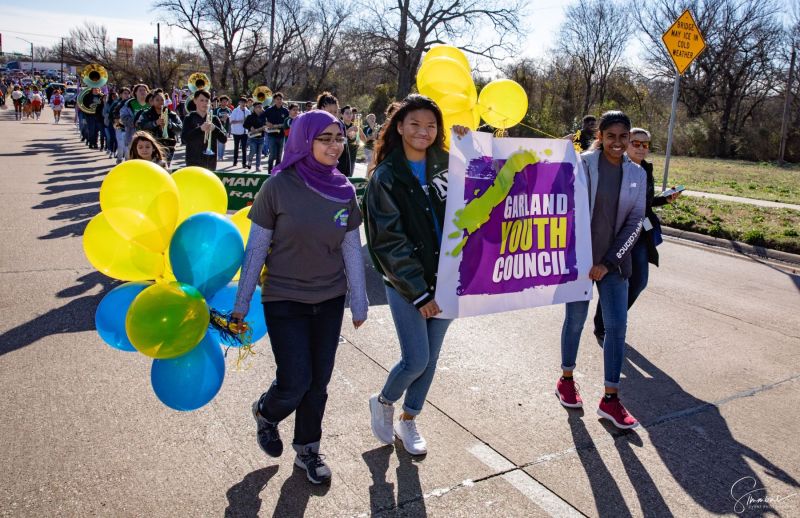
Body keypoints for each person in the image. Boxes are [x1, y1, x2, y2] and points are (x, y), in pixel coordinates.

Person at [231, 110, 368, 485]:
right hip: (284, 298)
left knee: (318, 381)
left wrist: (358, 299)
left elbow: (351, 249)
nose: (334, 146)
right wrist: (241, 304)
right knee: (295, 380)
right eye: (324, 138)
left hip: (329, 299)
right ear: (304, 140)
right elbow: (255, 248)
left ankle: (308, 448)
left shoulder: (345, 190)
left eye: (339, 138)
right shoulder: (277, 187)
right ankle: (266, 411)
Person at [364, 95, 465, 455]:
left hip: (450, 276)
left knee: (431, 358)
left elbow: (488, 187)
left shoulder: (448, 163)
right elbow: (387, 241)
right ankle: (384, 401)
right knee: (416, 358)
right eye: (415, 124)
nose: (424, 131)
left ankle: (409, 419)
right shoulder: (387, 175)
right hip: (408, 283)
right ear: (400, 127)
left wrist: (471, 146)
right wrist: (420, 293)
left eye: (431, 125)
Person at [555, 110, 646, 430]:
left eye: (624, 137)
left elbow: (635, 223)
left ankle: (610, 399)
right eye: (611, 136)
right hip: (578, 263)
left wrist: (607, 263)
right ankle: (566, 378)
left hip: (614, 265)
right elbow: (557, 201)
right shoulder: (582, 165)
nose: (618, 143)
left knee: (617, 327)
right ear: (600, 137)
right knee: (576, 321)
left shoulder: (638, 174)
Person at [593, 127, 681, 340]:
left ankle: (611, 318)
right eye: (636, 143)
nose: (641, 148)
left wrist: (664, 199)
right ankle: (603, 324)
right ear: (626, 144)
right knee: (616, 281)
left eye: (645, 144)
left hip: (641, 234)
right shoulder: (617, 168)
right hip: (619, 235)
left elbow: (645, 202)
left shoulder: (646, 169)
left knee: (639, 282)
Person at [181, 89, 227, 170]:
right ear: (195, 101)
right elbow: (184, 139)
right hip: (193, 161)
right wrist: (200, 129)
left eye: (207, 101)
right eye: (201, 100)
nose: (205, 103)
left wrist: (215, 129)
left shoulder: (214, 118)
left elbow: (224, 139)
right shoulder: (189, 118)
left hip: (210, 161)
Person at [137, 91, 183, 169]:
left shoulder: (172, 114)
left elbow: (180, 128)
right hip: (152, 145)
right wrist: (155, 123)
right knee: (153, 167)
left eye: (162, 100)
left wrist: (170, 125)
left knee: (165, 167)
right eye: (157, 100)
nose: (160, 102)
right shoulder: (146, 114)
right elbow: (141, 126)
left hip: (169, 145)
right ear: (153, 101)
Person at [120, 84, 150, 156]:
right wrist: (134, 122)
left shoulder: (151, 103)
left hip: (149, 135)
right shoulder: (129, 104)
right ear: (135, 92)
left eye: (144, 90)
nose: (143, 92)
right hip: (133, 135)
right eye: (140, 90)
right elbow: (124, 118)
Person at [337, 105, 367, 177]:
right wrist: (348, 131)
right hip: (341, 157)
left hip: (352, 157)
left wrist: (360, 131)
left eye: (350, 113)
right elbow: (337, 138)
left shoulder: (356, 125)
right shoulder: (339, 125)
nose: (349, 115)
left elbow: (364, 140)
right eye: (347, 113)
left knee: (350, 178)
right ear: (342, 115)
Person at [264, 92, 290, 172]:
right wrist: (266, 123)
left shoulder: (285, 111)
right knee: (272, 155)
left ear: (282, 100)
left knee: (279, 156)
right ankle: (269, 172)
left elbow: (288, 122)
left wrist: (279, 125)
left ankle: (276, 173)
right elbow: (261, 118)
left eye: (280, 99)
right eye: (277, 99)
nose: (279, 101)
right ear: (274, 100)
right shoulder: (269, 110)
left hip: (281, 136)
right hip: (271, 135)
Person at [243, 102, 267, 172]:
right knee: (253, 151)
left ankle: (258, 166)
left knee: (259, 153)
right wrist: (250, 127)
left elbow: (265, 124)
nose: (260, 108)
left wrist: (265, 128)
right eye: (258, 107)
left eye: (261, 107)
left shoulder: (263, 117)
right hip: (252, 138)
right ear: (254, 108)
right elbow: (244, 125)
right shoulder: (250, 117)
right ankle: (249, 162)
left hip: (261, 138)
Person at [111, 88, 131, 163]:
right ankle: (119, 158)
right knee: (120, 145)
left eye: (128, 93)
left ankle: (127, 161)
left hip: (129, 128)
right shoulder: (118, 104)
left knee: (127, 147)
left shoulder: (131, 103)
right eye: (125, 93)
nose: (127, 95)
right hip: (119, 127)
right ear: (121, 95)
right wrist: (117, 122)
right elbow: (113, 114)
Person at [229, 97, 250, 167]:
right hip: (236, 132)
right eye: (242, 102)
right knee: (236, 147)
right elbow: (231, 121)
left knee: (244, 148)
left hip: (245, 132)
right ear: (239, 103)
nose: (243, 104)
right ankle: (235, 162)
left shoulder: (248, 111)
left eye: (244, 102)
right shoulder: (235, 110)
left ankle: (244, 163)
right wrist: (241, 121)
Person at [216, 95, 232, 161]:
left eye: (226, 101)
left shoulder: (229, 110)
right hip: (218, 128)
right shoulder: (217, 110)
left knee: (223, 142)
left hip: (226, 128)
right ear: (220, 102)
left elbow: (232, 120)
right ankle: (219, 156)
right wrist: (221, 119)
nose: (225, 103)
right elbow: (214, 119)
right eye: (223, 101)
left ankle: (221, 156)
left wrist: (228, 118)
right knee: (219, 142)